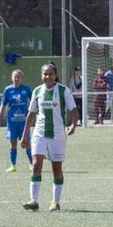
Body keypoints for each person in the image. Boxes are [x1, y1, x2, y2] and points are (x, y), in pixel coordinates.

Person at [20, 62, 78, 212]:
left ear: (55, 75)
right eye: (45, 74)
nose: (48, 77)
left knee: (56, 168)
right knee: (36, 163)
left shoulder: (63, 91)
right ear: (41, 75)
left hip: (57, 134)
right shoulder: (37, 91)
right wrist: (24, 135)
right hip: (39, 133)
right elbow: (31, 113)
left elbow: (73, 110)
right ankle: (33, 200)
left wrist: (73, 125)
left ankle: (55, 202)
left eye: (50, 74)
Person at [0, 69, 32, 172]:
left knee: (27, 143)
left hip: (23, 122)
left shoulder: (26, 89)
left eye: (18, 77)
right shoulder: (8, 90)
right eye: (15, 77)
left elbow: (34, 100)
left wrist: (34, 112)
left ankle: (32, 164)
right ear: (11, 78)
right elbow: (3, 103)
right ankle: (13, 165)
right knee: (13, 143)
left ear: (21, 78)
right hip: (12, 122)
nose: (16, 79)